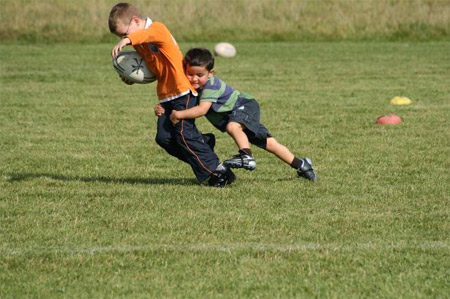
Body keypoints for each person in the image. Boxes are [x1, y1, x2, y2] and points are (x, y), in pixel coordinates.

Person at [108, 3, 235, 187]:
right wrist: (132, 77)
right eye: (122, 36)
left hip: (183, 92)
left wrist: (127, 41)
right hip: (166, 97)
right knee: (164, 138)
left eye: (124, 33)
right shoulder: (141, 42)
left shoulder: (157, 29)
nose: (124, 37)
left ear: (135, 21)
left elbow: (144, 35)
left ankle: (219, 172)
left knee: (183, 135)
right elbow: (155, 69)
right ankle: (203, 143)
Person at [156, 48, 316, 181]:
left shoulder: (211, 86)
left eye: (200, 75)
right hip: (236, 115)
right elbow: (178, 99)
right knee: (270, 143)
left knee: (233, 126)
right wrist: (163, 108)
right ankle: (302, 165)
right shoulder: (192, 87)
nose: (194, 79)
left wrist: (179, 114)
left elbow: (202, 110)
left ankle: (246, 156)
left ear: (210, 73)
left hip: (244, 106)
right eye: (190, 74)